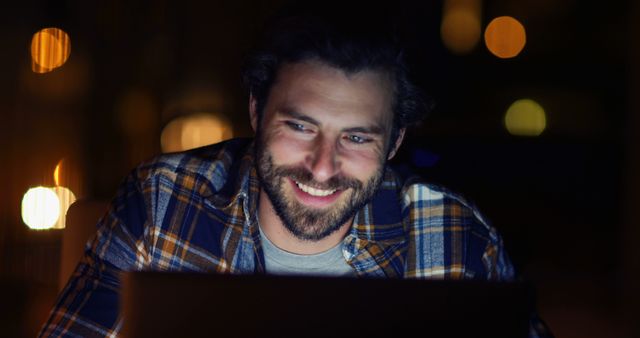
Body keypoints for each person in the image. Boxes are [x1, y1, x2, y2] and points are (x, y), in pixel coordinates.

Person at [40, 4, 551, 337]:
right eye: (301, 127)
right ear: (257, 113)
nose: (322, 166)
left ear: (394, 142)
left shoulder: (456, 235)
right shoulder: (162, 202)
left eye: (355, 137)